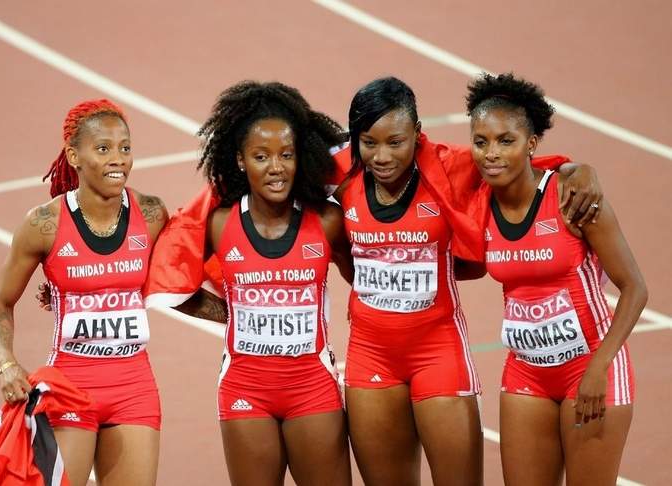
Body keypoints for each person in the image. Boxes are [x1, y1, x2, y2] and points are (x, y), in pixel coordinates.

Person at [331, 76, 602, 486]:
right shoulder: (340, 172)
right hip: (371, 355)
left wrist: (578, 169)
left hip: (437, 352)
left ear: (417, 135)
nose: (382, 155)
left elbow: (510, 162)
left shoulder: (447, 164)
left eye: (397, 142)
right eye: (369, 142)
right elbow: (266, 170)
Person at [147, 81, 353, 486]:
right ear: (240, 161)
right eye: (261, 156)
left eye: (286, 155)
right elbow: (167, 270)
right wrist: (228, 313)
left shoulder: (327, 221)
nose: (275, 167)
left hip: (313, 388)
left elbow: (368, 269)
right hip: (246, 391)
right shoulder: (220, 223)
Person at [467, 73, 646, 485]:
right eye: (481, 142)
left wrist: (600, 368)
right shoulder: (478, 201)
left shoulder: (572, 196)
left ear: (531, 144)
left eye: (506, 141)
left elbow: (635, 287)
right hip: (526, 371)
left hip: (590, 367)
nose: (491, 153)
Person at [0, 99, 168, 486]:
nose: (117, 159)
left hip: (134, 386)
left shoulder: (152, 215)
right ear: (74, 156)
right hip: (71, 386)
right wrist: (7, 363)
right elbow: (0, 304)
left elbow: (177, 286)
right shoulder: (43, 225)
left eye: (125, 148)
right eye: (103, 149)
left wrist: (231, 311)